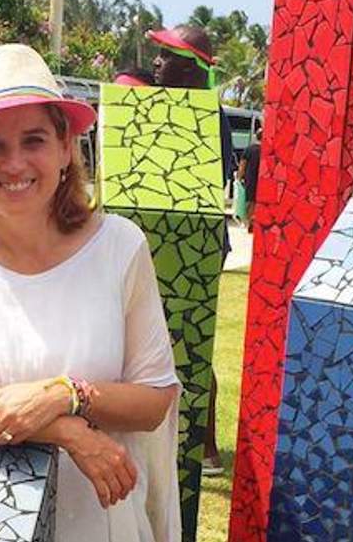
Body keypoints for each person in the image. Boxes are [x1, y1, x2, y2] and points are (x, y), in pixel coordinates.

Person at [0, 44, 180, 541]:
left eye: (34, 139)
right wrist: (63, 427)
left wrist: (67, 395)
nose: (14, 163)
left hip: (100, 518)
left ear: (66, 148)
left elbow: (154, 400)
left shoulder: (119, 246)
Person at [148, 24, 233, 477]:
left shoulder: (206, 117)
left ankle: (206, 446)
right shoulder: (162, 107)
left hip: (194, 244)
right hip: (159, 239)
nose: (157, 64)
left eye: (167, 56)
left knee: (191, 346)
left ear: (193, 67)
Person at [238, 125, 263, 232]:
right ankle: (256, 222)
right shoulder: (267, 149)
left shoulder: (249, 149)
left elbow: (242, 165)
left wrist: (239, 177)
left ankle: (250, 223)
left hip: (250, 179)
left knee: (250, 202)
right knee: (259, 202)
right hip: (262, 180)